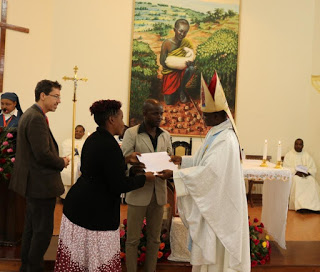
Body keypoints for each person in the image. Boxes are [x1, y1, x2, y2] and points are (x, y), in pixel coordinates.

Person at [157, 72, 250, 272]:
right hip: (216, 203)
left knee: (217, 257)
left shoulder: (226, 139)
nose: (202, 117)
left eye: (206, 115)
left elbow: (210, 173)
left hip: (221, 209)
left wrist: (174, 175)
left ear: (218, 115)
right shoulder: (216, 133)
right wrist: (182, 160)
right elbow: (204, 160)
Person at [54, 100, 155, 272]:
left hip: (79, 205)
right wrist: (144, 178)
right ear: (111, 120)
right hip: (95, 212)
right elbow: (118, 184)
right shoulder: (109, 145)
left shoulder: (94, 138)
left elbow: (100, 167)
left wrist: (125, 159)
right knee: (98, 261)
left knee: (79, 260)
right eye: (121, 118)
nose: (123, 123)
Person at [9, 80, 70, 272]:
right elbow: (42, 153)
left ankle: (27, 266)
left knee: (31, 229)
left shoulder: (31, 114)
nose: (59, 101)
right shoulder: (35, 117)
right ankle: (34, 267)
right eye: (56, 96)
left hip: (34, 183)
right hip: (40, 185)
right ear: (43, 95)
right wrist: (62, 162)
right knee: (42, 232)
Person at [121, 99, 172, 272]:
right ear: (144, 114)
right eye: (155, 113)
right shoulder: (132, 134)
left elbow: (170, 158)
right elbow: (124, 160)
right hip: (138, 192)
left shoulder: (165, 135)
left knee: (155, 238)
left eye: (161, 113)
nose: (159, 117)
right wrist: (136, 171)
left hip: (158, 192)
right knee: (133, 239)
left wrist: (170, 170)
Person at [160, 19, 195, 105]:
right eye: (180, 31)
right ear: (174, 29)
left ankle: (181, 89)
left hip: (182, 71)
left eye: (185, 32)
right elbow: (162, 62)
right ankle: (175, 89)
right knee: (169, 102)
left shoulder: (186, 43)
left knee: (191, 68)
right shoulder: (167, 43)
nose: (182, 34)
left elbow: (192, 58)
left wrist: (188, 63)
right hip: (170, 73)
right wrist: (176, 65)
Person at [284, 138, 320, 213]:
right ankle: (300, 206)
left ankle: (314, 207)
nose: (298, 146)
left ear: (303, 146)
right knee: (297, 181)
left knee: (312, 181)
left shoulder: (307, 155)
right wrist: (296, 172)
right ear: (294, 145)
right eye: (296, 144)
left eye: (300, 144)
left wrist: (307, 173)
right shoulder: (289, 155)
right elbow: (286, 168)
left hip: (305, 175)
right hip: (295, 176)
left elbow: (313, 168)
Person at [60, 125, 86, 198]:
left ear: (83, 133)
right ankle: (64, 196)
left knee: (77, 171)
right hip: (69, 161)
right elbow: (66, 153)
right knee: (65, 171)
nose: (78, 133)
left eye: (80, 131)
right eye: (76, 131)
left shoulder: (85, 142)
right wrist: (74, 152)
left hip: (79, 162)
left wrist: (78, 152)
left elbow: (85, 154)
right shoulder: (67, 141)